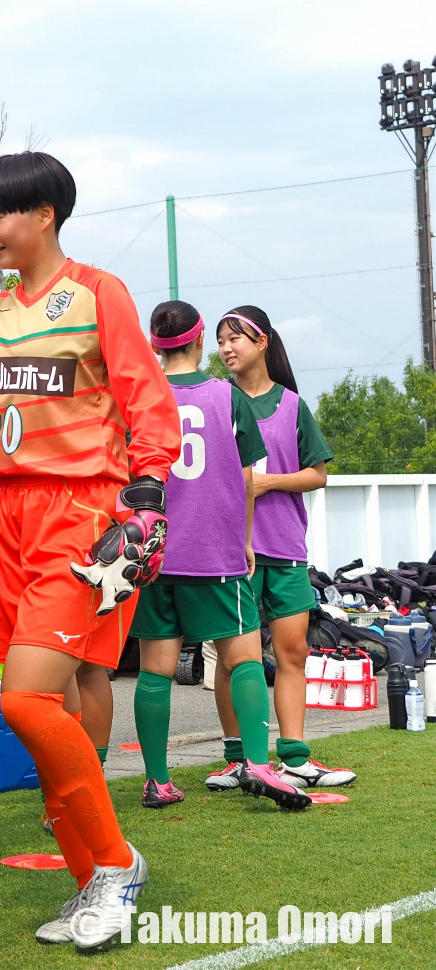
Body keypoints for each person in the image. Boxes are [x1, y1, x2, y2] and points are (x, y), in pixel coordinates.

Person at [0, 151, 181, 951]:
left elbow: (145, 397)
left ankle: (112, 866)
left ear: (45, 213)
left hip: (79, 515)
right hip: (3, 519)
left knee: (24, 702)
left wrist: (147, 500)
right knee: (39, 708)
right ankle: (99, 871)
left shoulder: (98, 293)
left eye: (0, 216)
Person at [132, 301, 309, 811]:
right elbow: (251, 477)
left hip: (156, 551)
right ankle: (256, 763)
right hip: (215, 553)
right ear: (200, 337)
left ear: (153, 343)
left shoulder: (141, 397)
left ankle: (157, 780)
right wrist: (246, 540)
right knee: (244, 657)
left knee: (155, 670)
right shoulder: (227, 397)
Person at [209, 306, 348, 790]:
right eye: (221, 340)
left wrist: (265, 483)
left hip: (286, 549)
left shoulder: (292, 405)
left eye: (236, 339)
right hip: (231, 554)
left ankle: (294, 757)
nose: (226, 348)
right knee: (234, 659)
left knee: (293, 652)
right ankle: (236, 760)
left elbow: (319, 474)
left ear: (262, 342)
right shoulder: (215, 401)